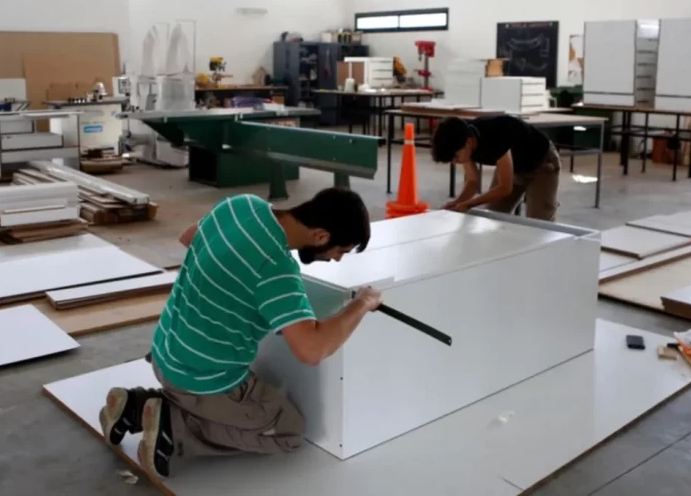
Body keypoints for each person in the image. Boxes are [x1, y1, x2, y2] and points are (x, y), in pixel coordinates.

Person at [98, 188, 382, 482]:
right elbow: (312, 350)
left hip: (164, 351)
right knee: (289, 433)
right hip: (201, 378)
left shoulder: (242, 205)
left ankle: (136, 406)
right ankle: (173, 427)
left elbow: (189, 237)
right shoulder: (276, 267)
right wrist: (362, 303)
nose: (337, 260)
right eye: (340, 251)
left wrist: (234, 294)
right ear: (321, 236)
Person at [430, 115, 562, 221]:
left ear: (468, 142)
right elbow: (472, 181)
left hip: (542, 164)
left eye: (456, 157)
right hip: (513, 165)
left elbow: (505, 188)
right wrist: (457, 203)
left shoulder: (496, 136)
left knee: (539, 224)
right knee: (493, 216)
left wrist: (469, 204)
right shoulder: (462, 137)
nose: (455, 162)